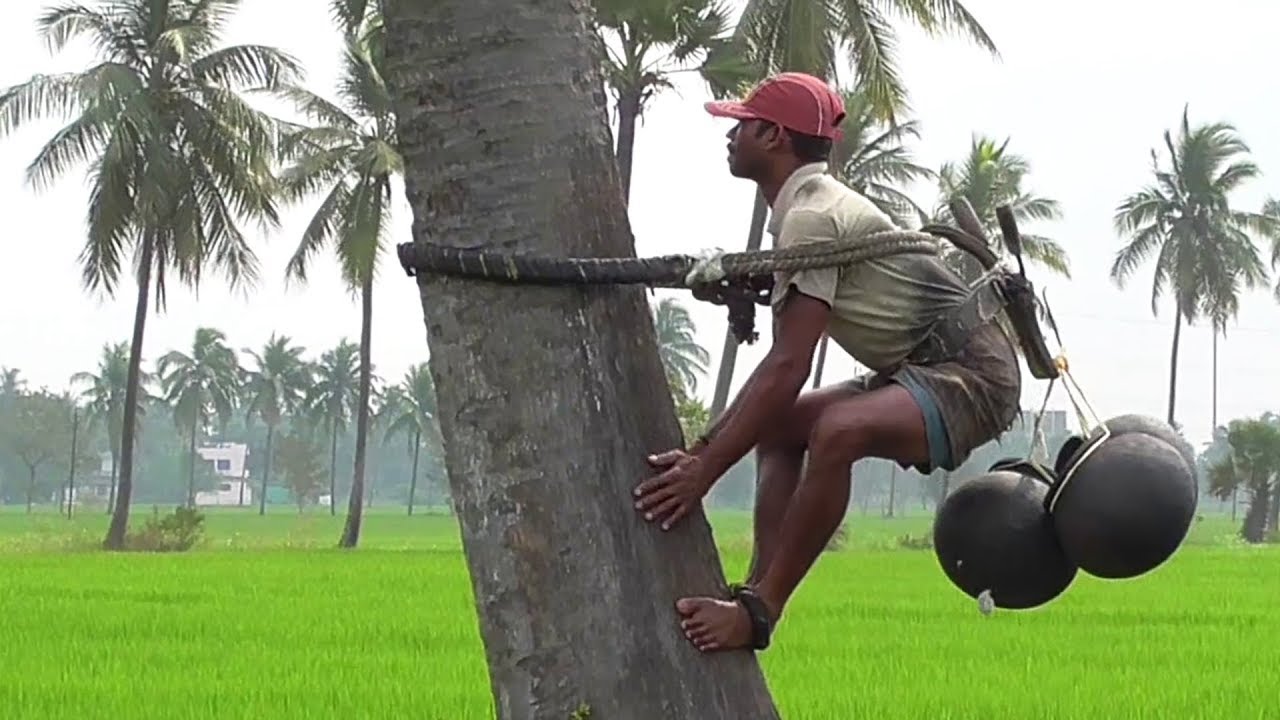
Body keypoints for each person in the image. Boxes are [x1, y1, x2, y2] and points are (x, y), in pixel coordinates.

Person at [631, 72, 1023, 653]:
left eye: (742, 125)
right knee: (780, 428)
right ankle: (756, 587)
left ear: (774, 136)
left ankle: (763, 610)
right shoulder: (808, 212)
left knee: (839, 430)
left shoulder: (813, 217)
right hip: (920, 366)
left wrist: (703, 466)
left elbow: (790, 364)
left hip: (971, 377)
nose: (731, 136)